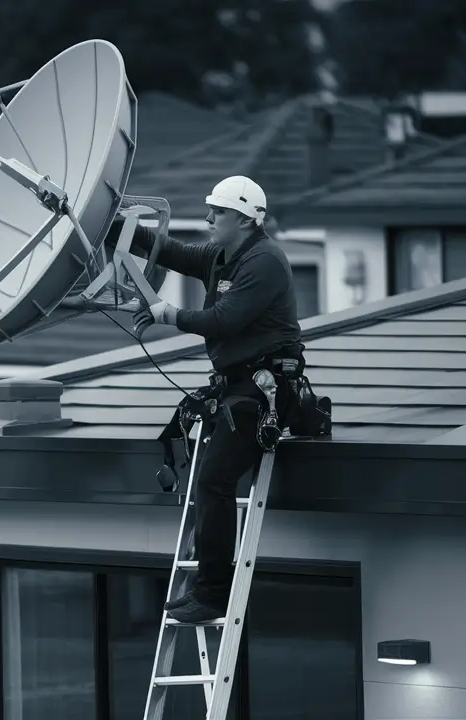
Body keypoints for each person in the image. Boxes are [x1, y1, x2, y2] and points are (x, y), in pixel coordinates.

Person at [107, 175, 304, 624]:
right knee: (208, 483)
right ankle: (204, 586)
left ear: (243, 218)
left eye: (218, 212)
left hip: (263, 391)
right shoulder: (222, 256)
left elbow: (225, 319)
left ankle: (213, 595)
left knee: (214, 483)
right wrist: (113, 227)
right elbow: (174, 252)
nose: (210, 218)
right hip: (237, 388)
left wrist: (170, 315)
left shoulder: (265, 261)